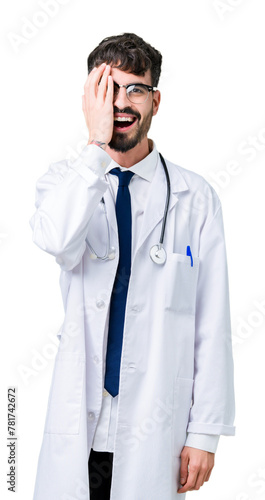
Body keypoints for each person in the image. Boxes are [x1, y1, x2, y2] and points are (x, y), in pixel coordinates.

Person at [30, 33, 236, 500]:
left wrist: (204, 432)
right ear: (89, 99)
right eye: (108, 88)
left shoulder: (195, 198)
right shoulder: (66, 182)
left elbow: (213, 321)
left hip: (154, 429)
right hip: (80, 428)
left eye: (135, 89)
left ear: (156, 100)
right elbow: (56, 239)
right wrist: (96, 148)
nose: (121, 104)